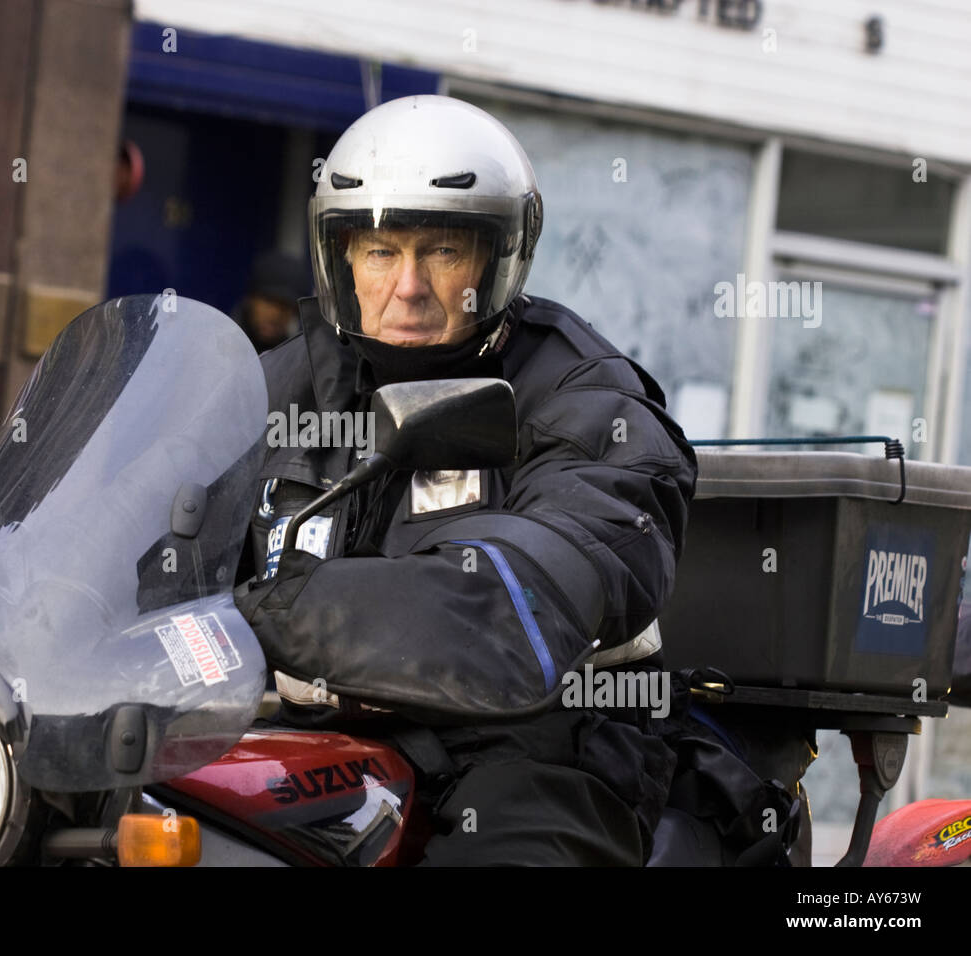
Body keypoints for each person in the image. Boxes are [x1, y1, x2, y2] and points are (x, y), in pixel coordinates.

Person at [234, 96, 698, 865]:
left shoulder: (585, 401)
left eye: (442, 251)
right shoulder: (274, 387)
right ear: (341, 258)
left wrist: (267, 615)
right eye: (380, 251)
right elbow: (142, 521)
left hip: (533, 751)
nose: (408, 286)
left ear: (498, 258)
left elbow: (525, 601)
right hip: (307, 737)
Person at [231, 250, 312, 352]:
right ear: (251, 299)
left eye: (284, 306)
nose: (275, 314)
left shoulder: (293, 359)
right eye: (268, 301)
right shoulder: (219, 344)